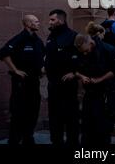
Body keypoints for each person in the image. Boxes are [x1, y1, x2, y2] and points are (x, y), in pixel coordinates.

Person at [0, 15, 45, 145]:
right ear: (28, 24)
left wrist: (42, 68)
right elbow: (3, 53)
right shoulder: (19, 39)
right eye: (36, 22)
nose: (38, 23)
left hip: (34, 82)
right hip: (21, 83)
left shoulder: (38, 40)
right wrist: (15, 70)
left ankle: (28, 138)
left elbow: (44, 56)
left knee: (33, 111)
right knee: (18, 112)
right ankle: (14, 140)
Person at [74, 34, 115, 145]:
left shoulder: (108, 49)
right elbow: (75, 68)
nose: (85, 54)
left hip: (105, 94)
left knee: (103, 129)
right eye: (83, 52)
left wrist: (100, 79)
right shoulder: (81, 50)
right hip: (89, 94)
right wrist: (82, 76)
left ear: (91, 43)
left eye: (86, 51)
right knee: (87, 128)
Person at [44, 9, 79, 146]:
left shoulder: (73, 36)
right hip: (53, 85)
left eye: (52, 19)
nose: (50, 22)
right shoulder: (50, 37)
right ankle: (56, 141)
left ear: (61, 20)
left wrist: (74, 72)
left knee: (71, 117)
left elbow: (82, 58)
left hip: (68, 86)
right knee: (54, 117)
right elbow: (49, 57)